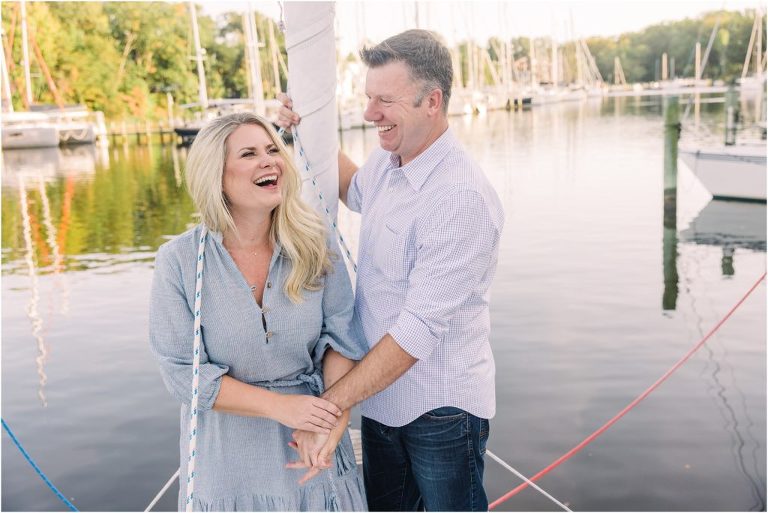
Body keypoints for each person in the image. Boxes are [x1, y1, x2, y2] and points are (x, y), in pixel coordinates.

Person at [277, 29, 504, 511]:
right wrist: (305, 132)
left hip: (441, 410)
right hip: (381, 399)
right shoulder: (389, 160)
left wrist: (330, 406)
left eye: (385, 100)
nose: (369, 113)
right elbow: (352, 188)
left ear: (432, 102)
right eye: (368, 98)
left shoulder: (460, 198)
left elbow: (416, 331)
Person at [149, 112, 367, 511]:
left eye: (272, 150)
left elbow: (341, 338)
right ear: (216, 176)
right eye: (249, 154)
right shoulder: (179, 260)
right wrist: (282, 408)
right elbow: (183, 374)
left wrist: (331, 419)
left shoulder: (315, 243)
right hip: (227, 463)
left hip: (312, 446)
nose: (269, 161)